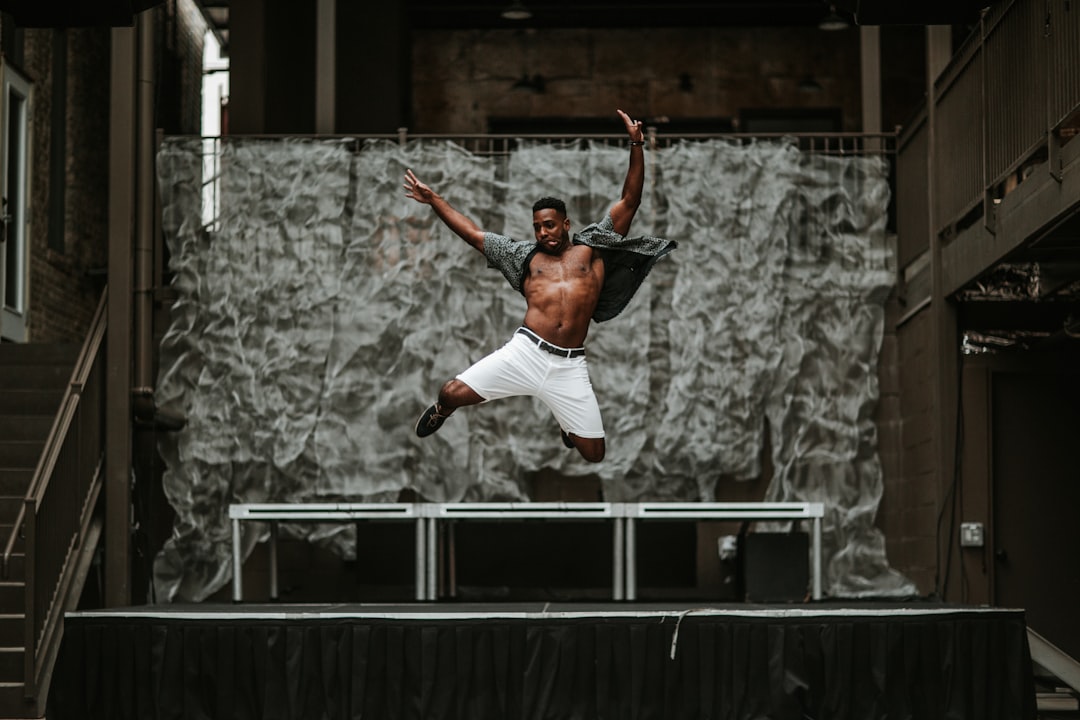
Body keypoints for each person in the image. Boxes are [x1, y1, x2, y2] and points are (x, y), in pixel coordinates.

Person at [403, 109, 675, 463]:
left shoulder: (593, 248)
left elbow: (629, 200)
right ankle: (443, 409)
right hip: (525, 353)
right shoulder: (522, 256)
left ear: (565, 223)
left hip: (568, 365)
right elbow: (472, 233)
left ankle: (566, 420)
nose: (543, 233)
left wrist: (636, 143)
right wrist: (435, 200)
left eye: (549, 225)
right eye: (537, 227)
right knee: (451, 392)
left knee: (593, 453)